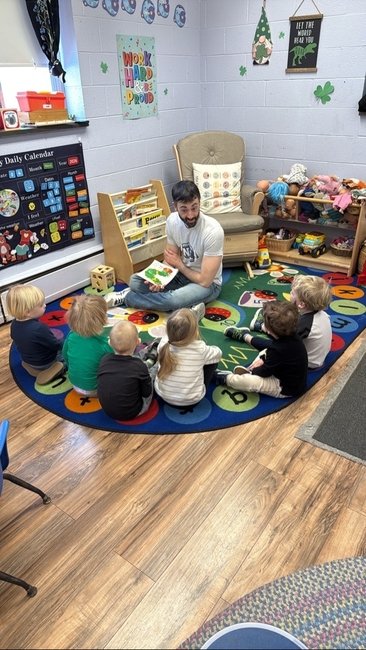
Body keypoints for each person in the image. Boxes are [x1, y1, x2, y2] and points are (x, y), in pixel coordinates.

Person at [105, 180, 224, 316]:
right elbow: (169, 259)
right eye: (184, 209)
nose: (190, 215)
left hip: (207, 285)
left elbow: (205, 280)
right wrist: (160, 280)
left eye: (194, 208)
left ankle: (128, 298)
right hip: (180, 275)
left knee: (171, 301)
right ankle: (187, 303)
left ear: (199, 203)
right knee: (135, 281)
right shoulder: (172, 221)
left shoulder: (213, 231)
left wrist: (180, 265)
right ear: (175, 207)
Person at [225, 274, 332, 369]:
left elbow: (281, 346)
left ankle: (245, 336)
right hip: (316, 358)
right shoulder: (321, 315)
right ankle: (261, 326)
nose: (290, 294)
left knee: (272, 346)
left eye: (292, 293)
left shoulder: (303, 325)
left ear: (302, 304)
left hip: (306, 363)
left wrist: (263, 359)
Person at [216, 300, 308, 398]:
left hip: (284, 388)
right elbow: (277, 352)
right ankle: (245, 337)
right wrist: (263, 359)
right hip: (283, 368)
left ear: (269, 330)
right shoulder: (292, 336)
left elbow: (265, 372)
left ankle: (224, 377)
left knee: (250, 382)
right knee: (266, 349)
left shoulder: (277, 350)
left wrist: (256, 370)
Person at [154, 307, 222, 407]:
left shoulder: (164, 343)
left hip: (163, 395)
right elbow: (218, 353)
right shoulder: (200, 348)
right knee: (212, 361)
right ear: (194, 331)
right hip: (192, 400)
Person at [97, 320, 157, 420]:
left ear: (109, 343)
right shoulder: (138, 366)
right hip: (134, 411)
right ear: (138, 342)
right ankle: (153, 362)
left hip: (107, 410)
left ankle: (147, 361)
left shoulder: (104, 360)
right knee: (149, 375)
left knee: (136, 369)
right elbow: (146, 393)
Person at [6, 284, 65, 385]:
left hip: (28, 360)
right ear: (28, 312)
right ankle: (53, 370)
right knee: (69, 354)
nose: (45, 305)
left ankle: (33, 368)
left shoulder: (14, 324)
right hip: (46, 362)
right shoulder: (39, 328)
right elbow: (55, 345)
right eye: (41, 305)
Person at [62, 294, 113, 396]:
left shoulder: (71, 335)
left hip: (74, 383)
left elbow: (65, 355)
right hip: (96, 389)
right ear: (101, 320)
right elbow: (115, 366)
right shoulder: (104, 345)